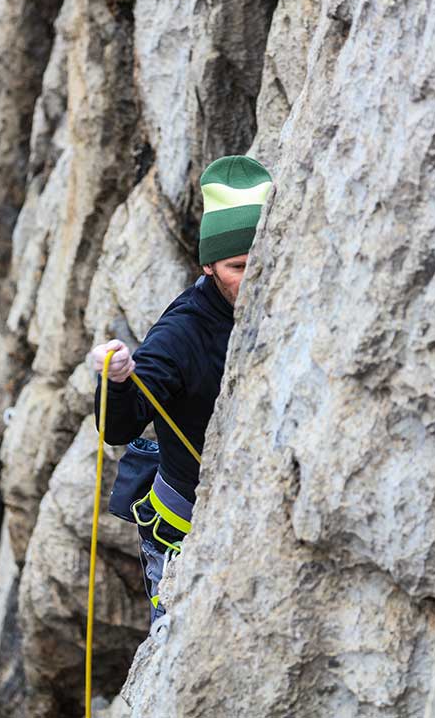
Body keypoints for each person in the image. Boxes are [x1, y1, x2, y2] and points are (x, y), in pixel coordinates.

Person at [89, 154, 273, 625]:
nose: (252, 278)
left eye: (262, 262)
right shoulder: (182, 333)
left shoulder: (282, 294)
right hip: (185, 526)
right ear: (208, 265)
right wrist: (117, 380)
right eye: (237, 266)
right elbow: (121, 425)